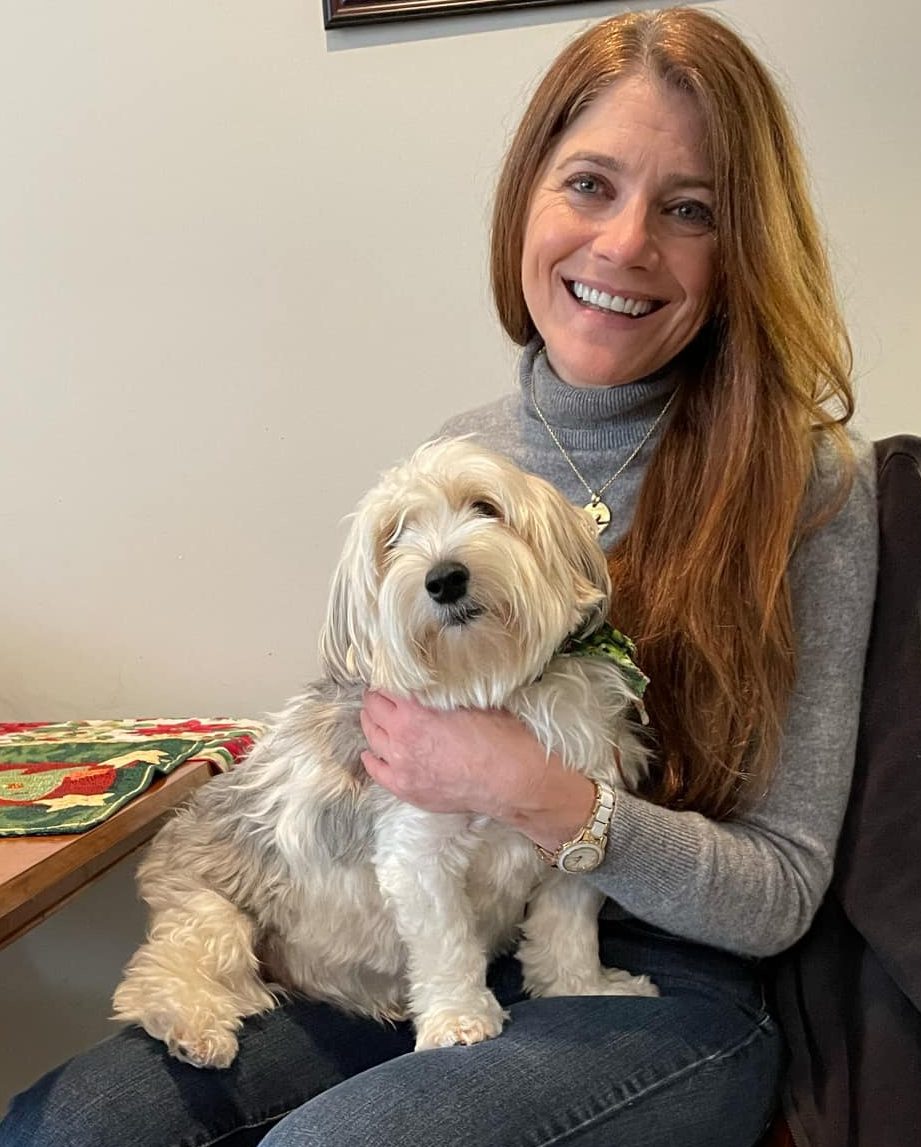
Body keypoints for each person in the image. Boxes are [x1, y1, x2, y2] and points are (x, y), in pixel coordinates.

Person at [0, 8, 877, 1146]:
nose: (622, 246)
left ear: (744, 243)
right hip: (422, 935)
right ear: (525, 199)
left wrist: (540, 791)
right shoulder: (460, 451)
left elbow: (780, 893)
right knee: (64, 1129)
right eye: (590, 185)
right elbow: (373, 749)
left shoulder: (810, 488)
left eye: (690, 209)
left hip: (670, 984)